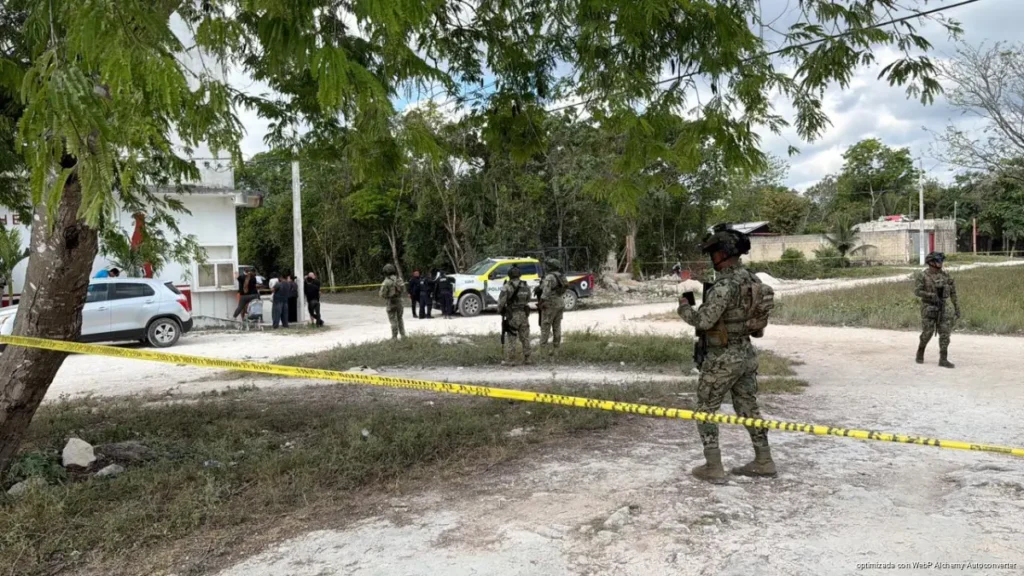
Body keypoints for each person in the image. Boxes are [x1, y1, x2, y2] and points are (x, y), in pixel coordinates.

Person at [677, 224, 775, 484]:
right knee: (748, 407)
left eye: (713, 254)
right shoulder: (753, 280)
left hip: (722, 358)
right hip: (746, 353)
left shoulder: (725, 286)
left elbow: (704, 321)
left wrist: (684, 307)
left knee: (705, 408)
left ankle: (713, 466)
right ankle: (764, 460)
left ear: (722, 254)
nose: (712, 259)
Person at [915, 252, 960, 368]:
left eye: (941, 261)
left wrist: (956, 308)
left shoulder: (946, 276)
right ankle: (920, 350)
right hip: (928, 307)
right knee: (927, 333)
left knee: (945, 333)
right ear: (931, 263)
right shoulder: (923, 276)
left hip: (943, 306)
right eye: (938, 261)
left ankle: (943, 359)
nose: (940, 263)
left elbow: (953, 293)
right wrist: (930, 295)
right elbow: (917, 291)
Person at [497, 265, 532, 365]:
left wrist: (500, 310)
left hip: (512, 314)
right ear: (519, 275)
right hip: (524, 314)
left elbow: (501, 302)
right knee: (525, 337)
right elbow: (528, 299)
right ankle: (527, 358)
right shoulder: (525, 285)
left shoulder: (507, 286)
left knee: (512, 337)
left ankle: (511, 360)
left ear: (509, 275)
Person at [538, 258, 568, 355]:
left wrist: (540, 303)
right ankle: (556, 349)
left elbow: (545, 292)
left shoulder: (550, 277)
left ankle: (542, 350)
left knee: (545, 327)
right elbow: (565, 287)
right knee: (557, 327)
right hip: (560, 303)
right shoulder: (561, 275)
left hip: (550, 304)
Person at [379, 264, 406, 339]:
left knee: (393, 320)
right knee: (400, 319)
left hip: (391, 302)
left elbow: (382, 294)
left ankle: (394, 337)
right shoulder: (399, 279)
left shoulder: (386, 281)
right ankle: (403, 335)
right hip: (399, 301)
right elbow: (404, 289)